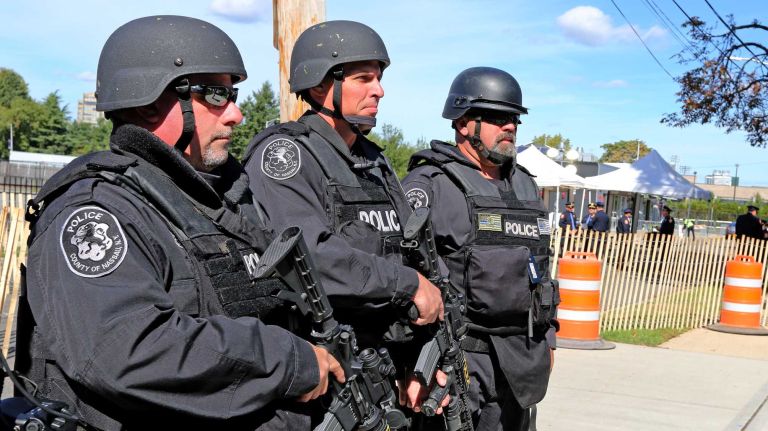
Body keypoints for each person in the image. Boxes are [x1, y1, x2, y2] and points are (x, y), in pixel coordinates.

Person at [14, 16, 344, 430]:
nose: (236, 114)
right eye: (217, 95)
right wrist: (289, 360)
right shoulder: (95, 213)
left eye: (233, 94)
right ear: (151, 101)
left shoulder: (218, 201)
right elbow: (128, 349)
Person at [241, 20, 444, 417]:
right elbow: (314, 255)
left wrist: (418, 361)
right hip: (326, 376)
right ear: (321, 86)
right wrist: (407, 284)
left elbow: (411, 248)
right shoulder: (285, 156)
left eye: (380, 78)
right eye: (364, 78)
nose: (379, 90)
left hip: (385, 368)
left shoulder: (375, 161)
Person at [402, 67, 559, 431]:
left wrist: (549, 338)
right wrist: (412, 363)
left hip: (522, 362)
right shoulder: (431, 185)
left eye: (514, 119)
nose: (510, 127)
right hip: (459, 364)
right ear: (463, 123)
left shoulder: (525, 187)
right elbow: (404, 279)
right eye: (497, 117)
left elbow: (542, 268)